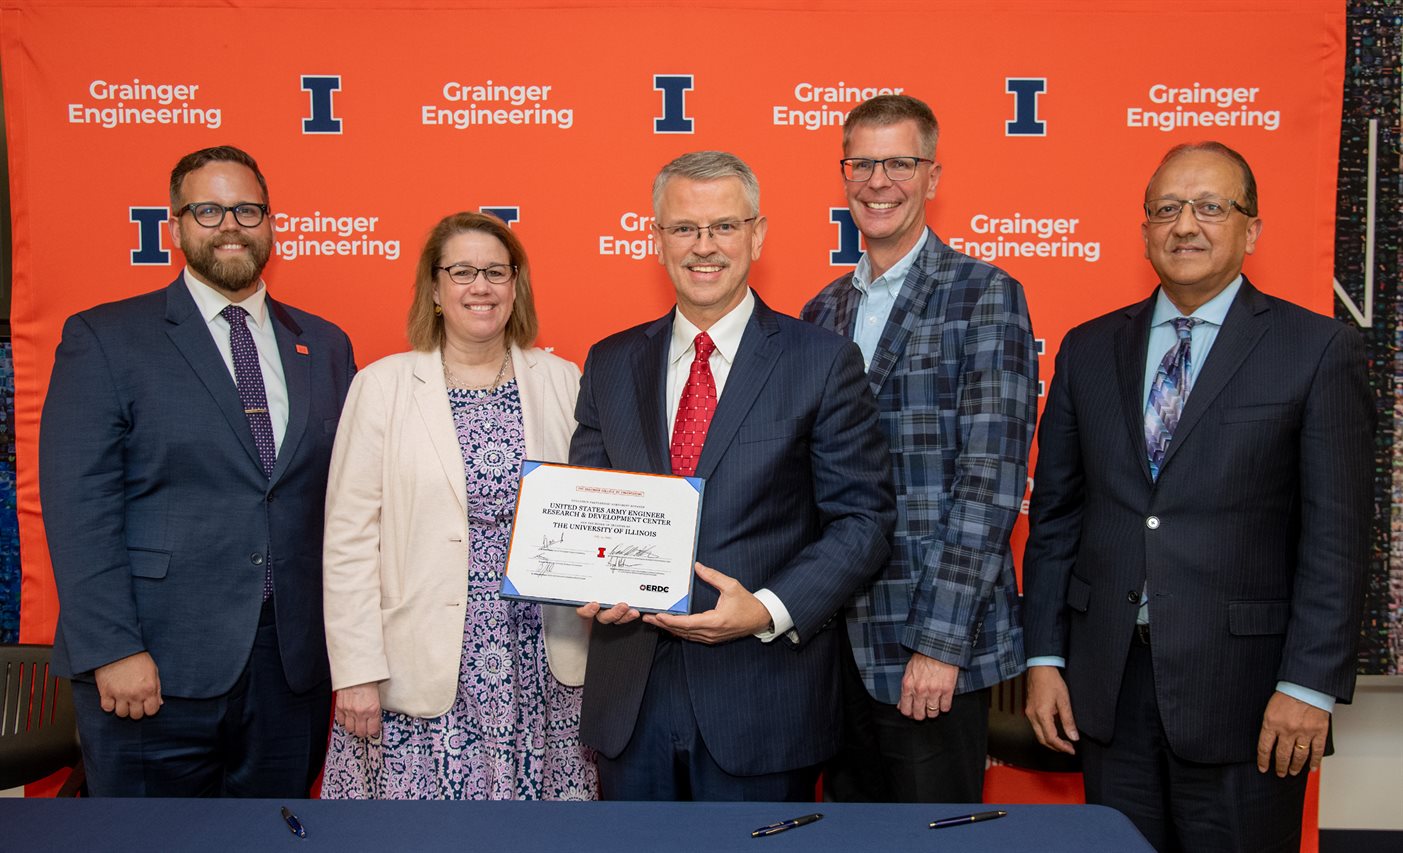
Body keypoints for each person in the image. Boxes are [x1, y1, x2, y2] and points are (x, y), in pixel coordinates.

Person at [1022, 142, 1371, 852]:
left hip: (1247, 695)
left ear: (1251, 230)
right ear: (1144, 228)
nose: (1185, 225)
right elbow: (1057, 516)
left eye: (1211, 207)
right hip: (1107, 687)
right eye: (1166, 209)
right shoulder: (1087, 349)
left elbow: (1336, 535)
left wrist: (1307, 686)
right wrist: (1044, 659)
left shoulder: (1315, 350)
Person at [572, 151, 895, 801]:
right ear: (655, 238)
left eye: (723, 226)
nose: (704, 247)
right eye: (684, 228)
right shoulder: (608, 361)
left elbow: (862, 520)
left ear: (757, 234)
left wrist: (765, 609)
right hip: (632, 696)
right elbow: (588, 498)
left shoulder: (822, 361)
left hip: (763, 695)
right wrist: (588, 573)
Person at [39, 145, 356, 796]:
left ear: (271, 222)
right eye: (208, 210)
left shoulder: (323, 344)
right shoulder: (106, 339)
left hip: (290, 669)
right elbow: (78, 508)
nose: (231, 225)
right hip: (153, 665)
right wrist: (112, 648)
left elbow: (345, 500)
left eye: (247, 208)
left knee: (273, 840)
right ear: (175, 225)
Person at [802, 94, 1037, 803]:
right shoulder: (820, 311)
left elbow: (989, 482)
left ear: (932, 176)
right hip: (829, 648)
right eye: (862, 163)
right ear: (843, 176)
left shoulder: (984, 295)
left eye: (899, 162)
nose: (879, 181)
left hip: (925, 647)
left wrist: (938, 643)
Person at [320, 211, 595, 800]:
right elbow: (348, 540)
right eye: (463, 271)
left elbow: (596, 509)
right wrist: (356, 671)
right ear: (436, 288)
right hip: (419, 659)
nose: (481, 287)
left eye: (496, 271)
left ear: (515, 285)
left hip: (542, 660)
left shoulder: (563, 380)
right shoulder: (382, 387)